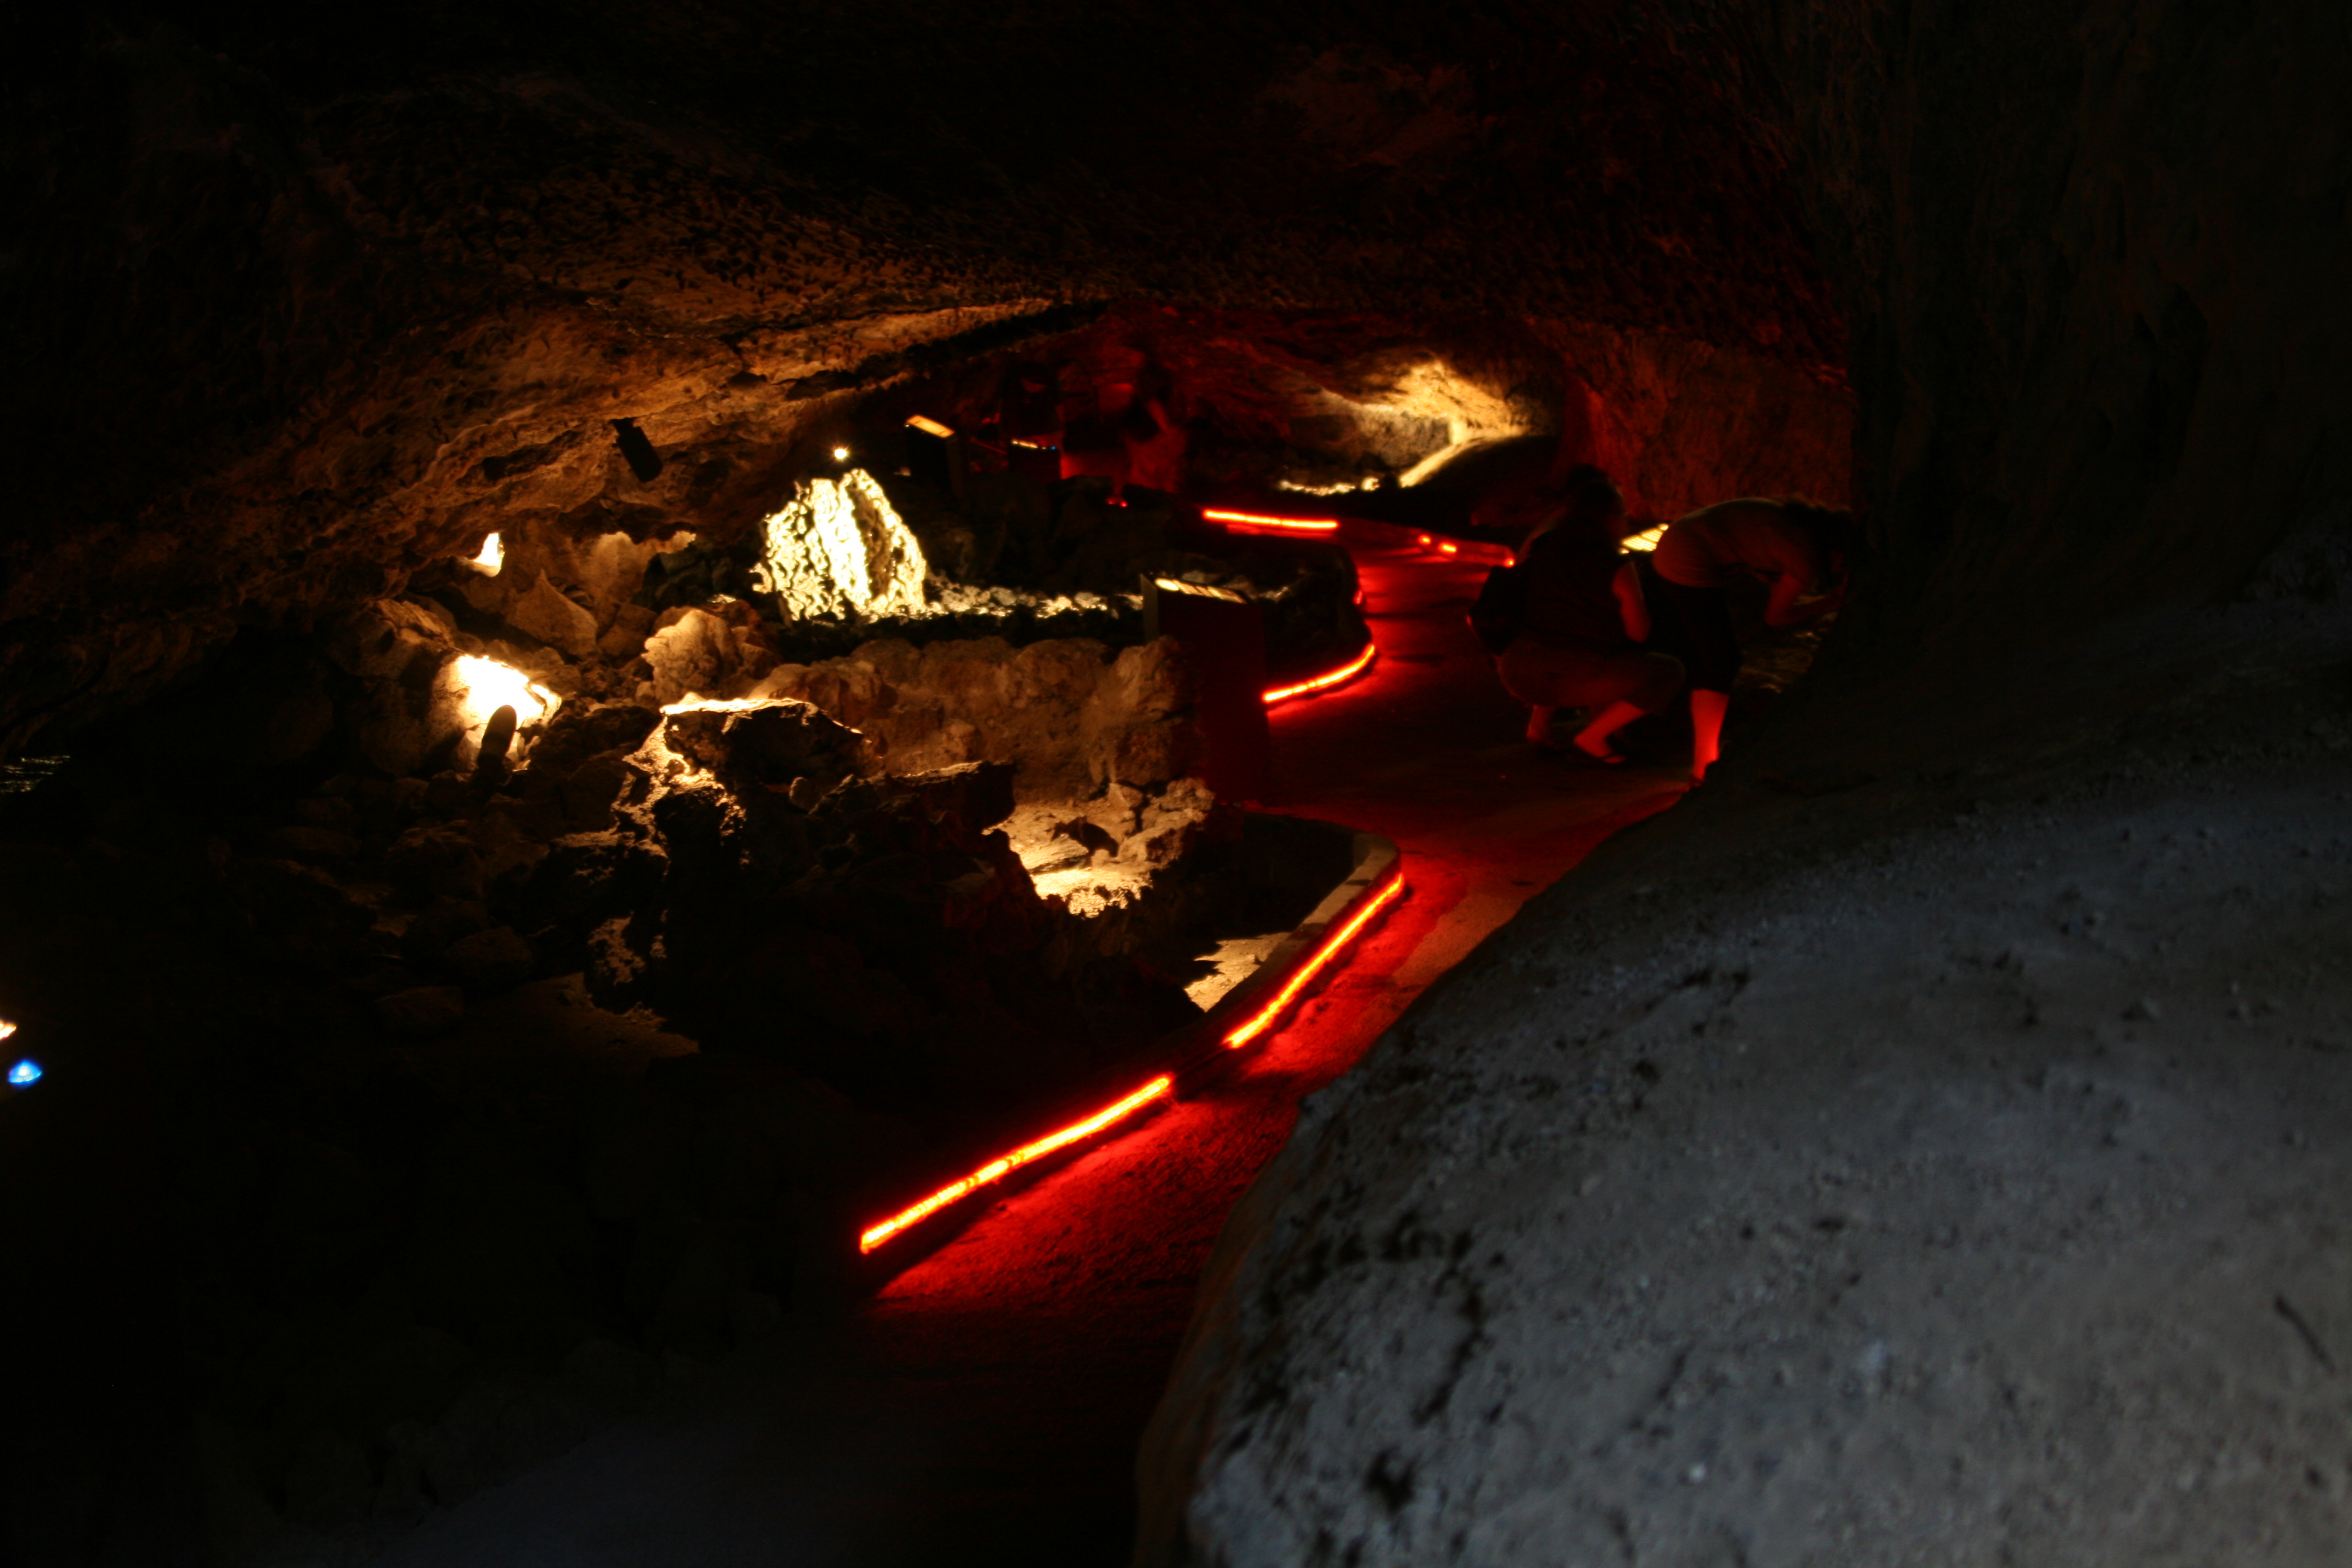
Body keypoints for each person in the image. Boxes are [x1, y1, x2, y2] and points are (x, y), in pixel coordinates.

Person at [1646, 495, 1855, 780]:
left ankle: (1704, 759)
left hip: (1679, 542)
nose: (1841, 572)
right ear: (1839, 553)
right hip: (1687, 557)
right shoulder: (1804, 557)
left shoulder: (1795, 524)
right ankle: (1705, 765)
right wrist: (1832, 602)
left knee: (1710, 657)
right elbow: (1776, 617)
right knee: (1723, 659)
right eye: (1844, 567)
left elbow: (1754, 547)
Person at [1492, 466, 1684, 762]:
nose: (1627, 520)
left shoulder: (1542, 545)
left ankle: (1540, 729)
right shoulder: (1613, 564)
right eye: (1622, 513)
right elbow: (1639, 633)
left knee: (1561, 643)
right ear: (1608, 516)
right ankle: (1593, 738)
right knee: (1667, 670)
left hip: (1515, 668)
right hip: (1570, 676)